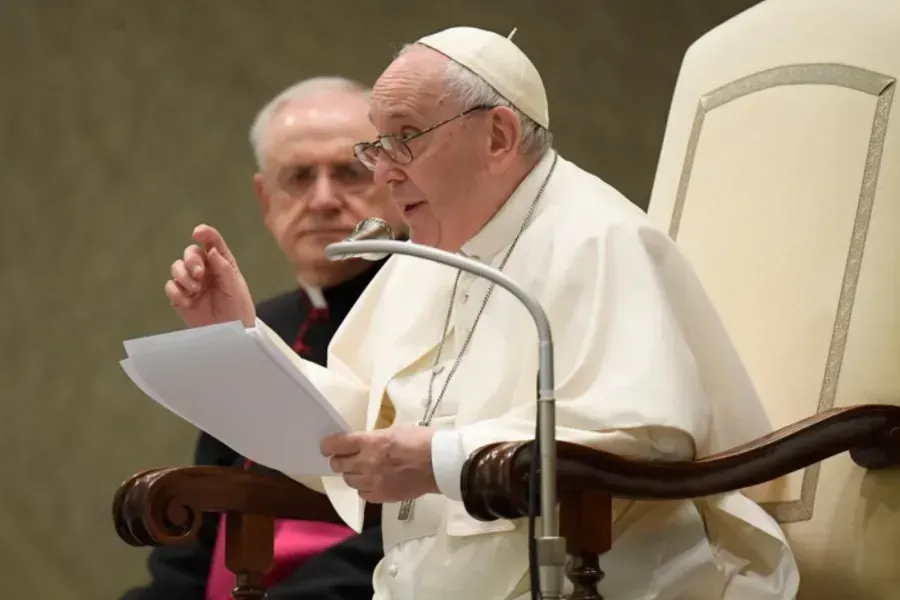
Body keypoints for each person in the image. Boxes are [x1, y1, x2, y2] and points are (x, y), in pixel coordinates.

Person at [161, 27, 800, 600]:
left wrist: (442, 459)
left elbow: (645, 436)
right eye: (377, 147)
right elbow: (357, 428)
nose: (383, 172)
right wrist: (243, 337)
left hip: (612, 575)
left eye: (404, 139)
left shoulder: (598, 239)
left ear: (497, 135)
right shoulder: (426, 254)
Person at [124, 76, 404, 600]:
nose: (323, 200)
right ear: (264, 197)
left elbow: (414, 525)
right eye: (298, 176)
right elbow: (198, 521)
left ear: (397, 179)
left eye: (350, 172)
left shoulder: (440, 311)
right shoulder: (264, 320)